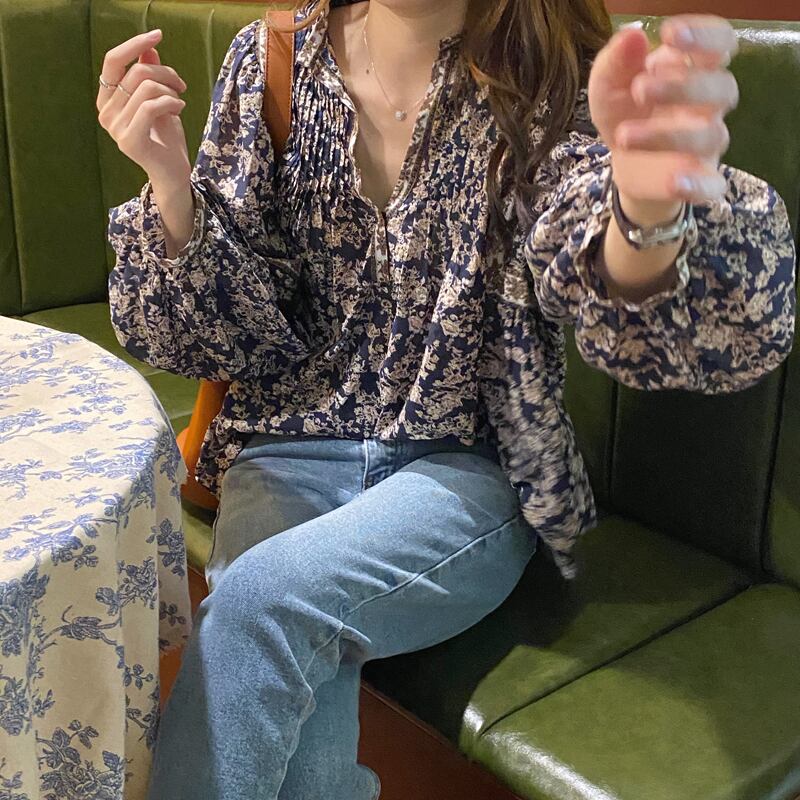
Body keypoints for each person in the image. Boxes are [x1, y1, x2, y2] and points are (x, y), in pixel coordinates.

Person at [96, 0, 795, 797]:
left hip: (466, 472)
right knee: (283, 658)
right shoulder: (273, 60)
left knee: (259, 602)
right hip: (285, 451)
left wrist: (646, 218)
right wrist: (170, 185)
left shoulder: (544, 71)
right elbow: (224, 334)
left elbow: (594, 243)